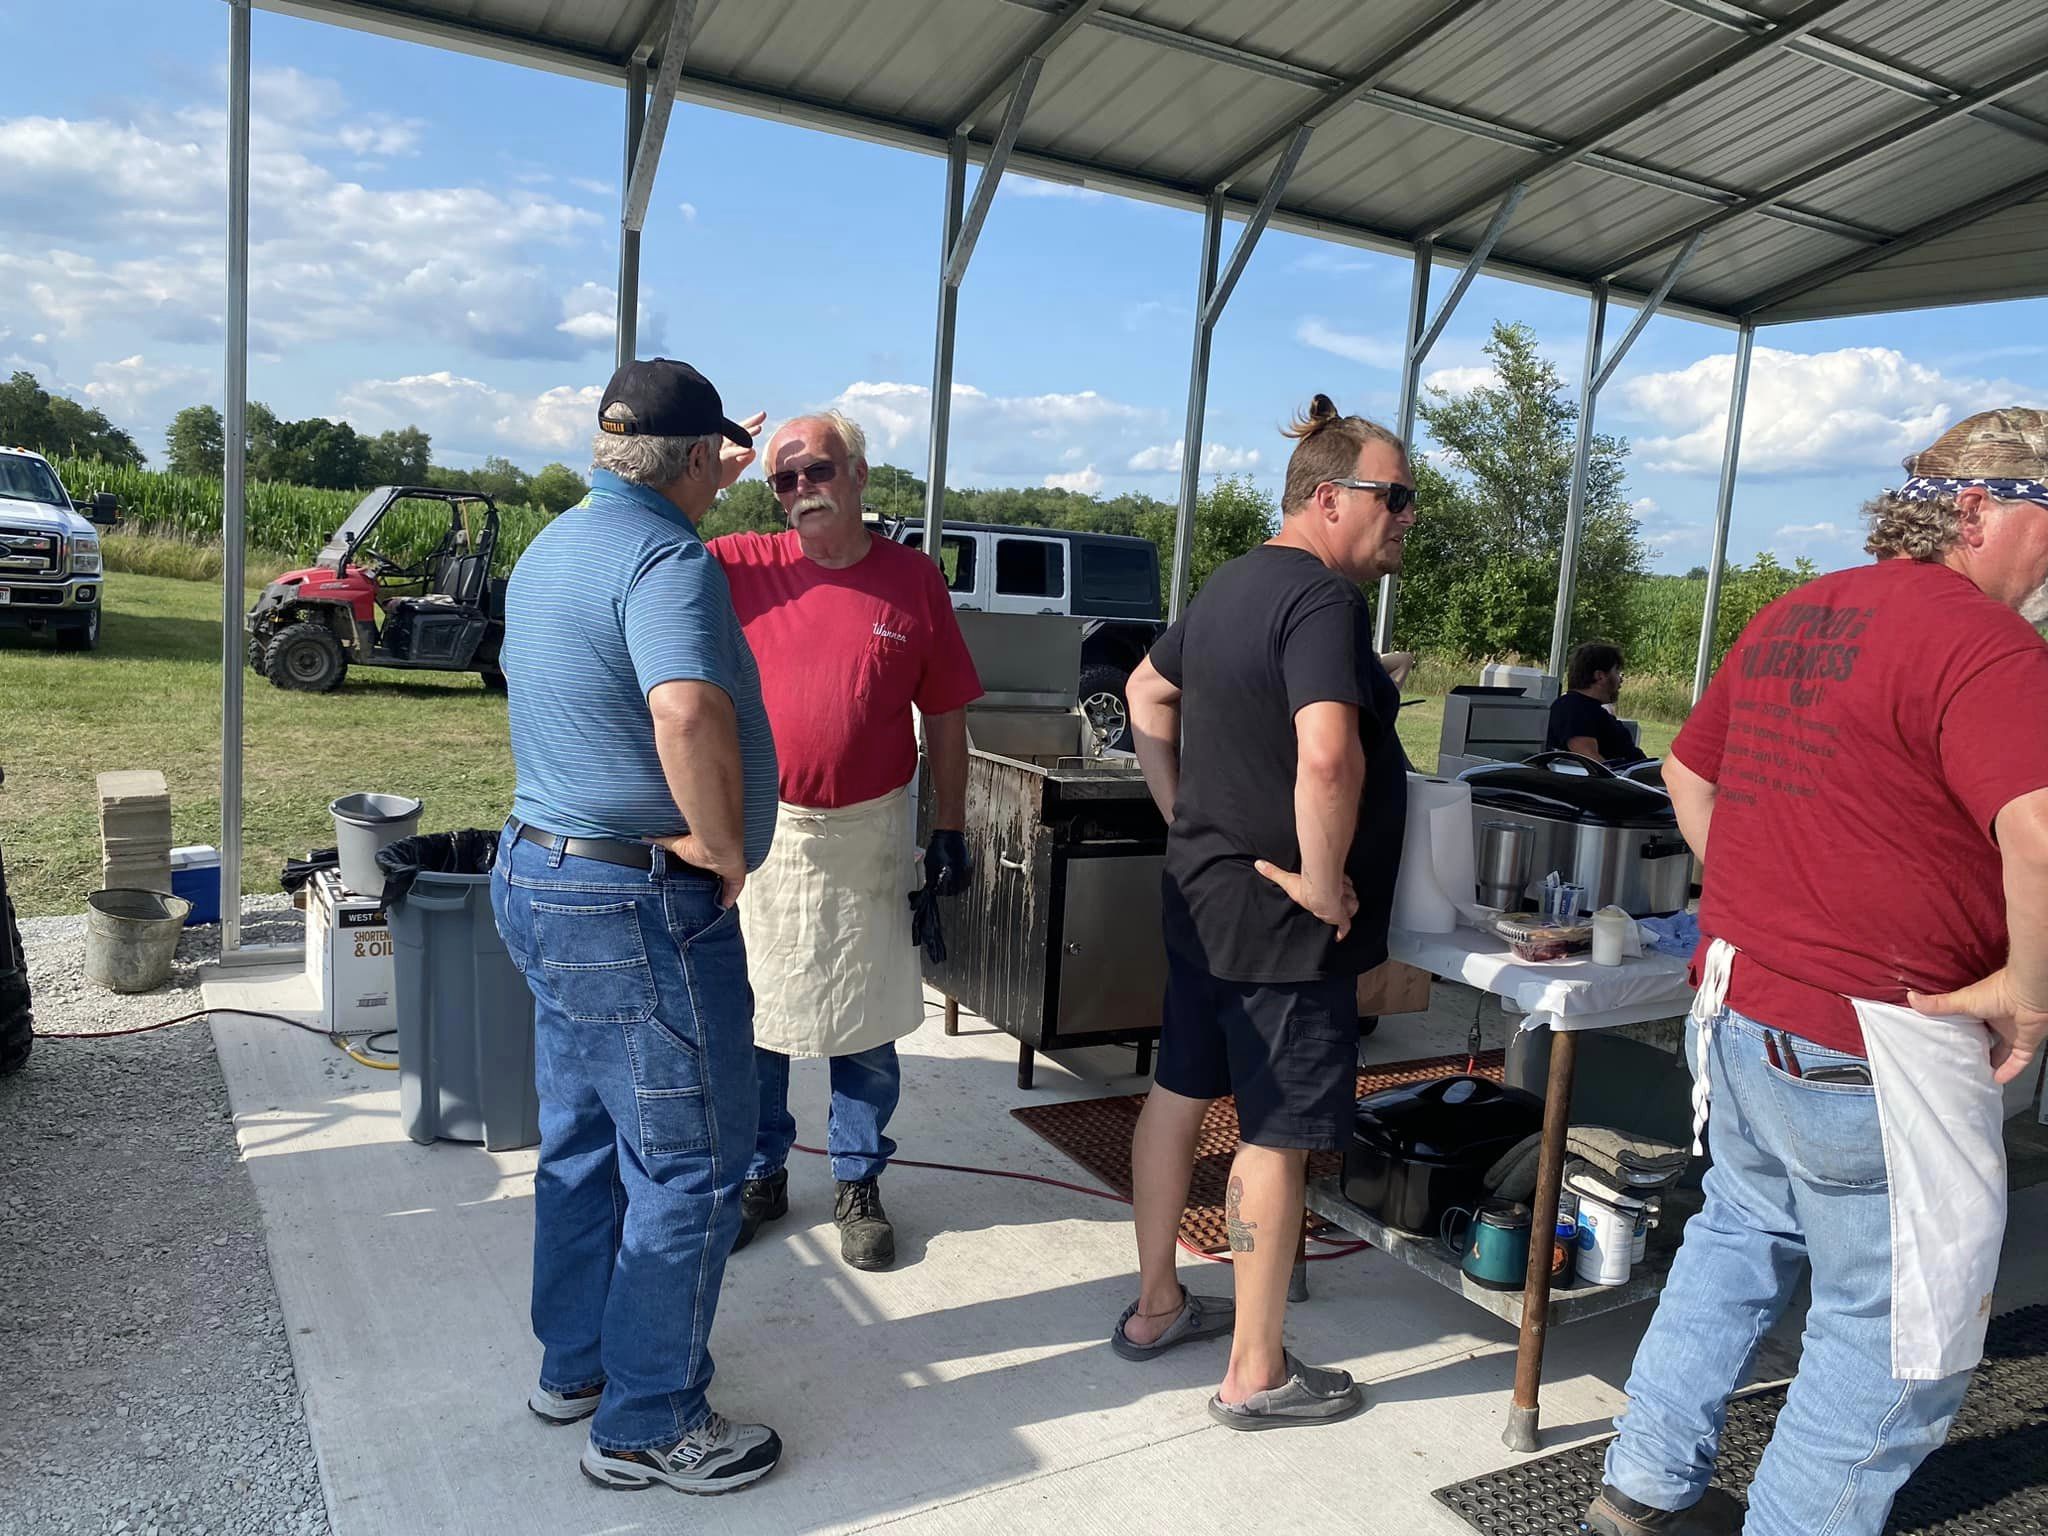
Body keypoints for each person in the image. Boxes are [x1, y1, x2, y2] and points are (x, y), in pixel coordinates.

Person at [1585, 407, 2048, 1536]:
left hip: (1742, 1007)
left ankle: (1640, 1491)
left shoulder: (1800, 610)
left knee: (1736, 1239)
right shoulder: (1985, 644)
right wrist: (2025, 994)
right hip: (1875, 1039)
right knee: (1897, 1334)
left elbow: (1687, 778)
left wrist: (1764, 890)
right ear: (1981, 508)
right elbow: (2040, 835)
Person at [490, 358, 785, 1497]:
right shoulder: (671, 558)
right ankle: (648, 1420)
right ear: (704, 459)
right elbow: (684, 707)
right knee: (690, 1160)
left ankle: (577, 1365)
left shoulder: (559, 541)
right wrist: (719, 846)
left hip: (543, 876)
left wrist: (710, 451)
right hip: (632, 902)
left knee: (580, 1137)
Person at [1114, 393, 1414, 1430]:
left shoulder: (1231, 584)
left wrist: (1182, 808)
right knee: (1273, 1136)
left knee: (1176, 1092)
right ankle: (1253, 1371)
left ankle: (1157, 1306)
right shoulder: (1324, 606)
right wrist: (1326, 877)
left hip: (1203, 896)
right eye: (1396, 497)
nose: (1406, 519)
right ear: (1328, 498)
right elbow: (1326, 752)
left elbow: (1144, 695)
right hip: (1283, 922)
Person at [708, 409, 982, 1272]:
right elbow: (639, 533)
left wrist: (949, 828)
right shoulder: (737, 565)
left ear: (860, 473)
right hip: (770, 837)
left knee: (865, 1021)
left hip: (871, 830)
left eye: (816, 471)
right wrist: (713, 475)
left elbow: (944, 715)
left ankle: (859, 1180)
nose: (800, 491)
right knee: (759, 1016)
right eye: (783, 480)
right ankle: (762, 1172)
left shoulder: (913, 580)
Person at [1546, 641, 1648, 764]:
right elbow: (1590, 759)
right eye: (1616, 671)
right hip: (1620, 780)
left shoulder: (1586, 708)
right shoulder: (1573, 708)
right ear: (1599, 676)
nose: (1621, 679)